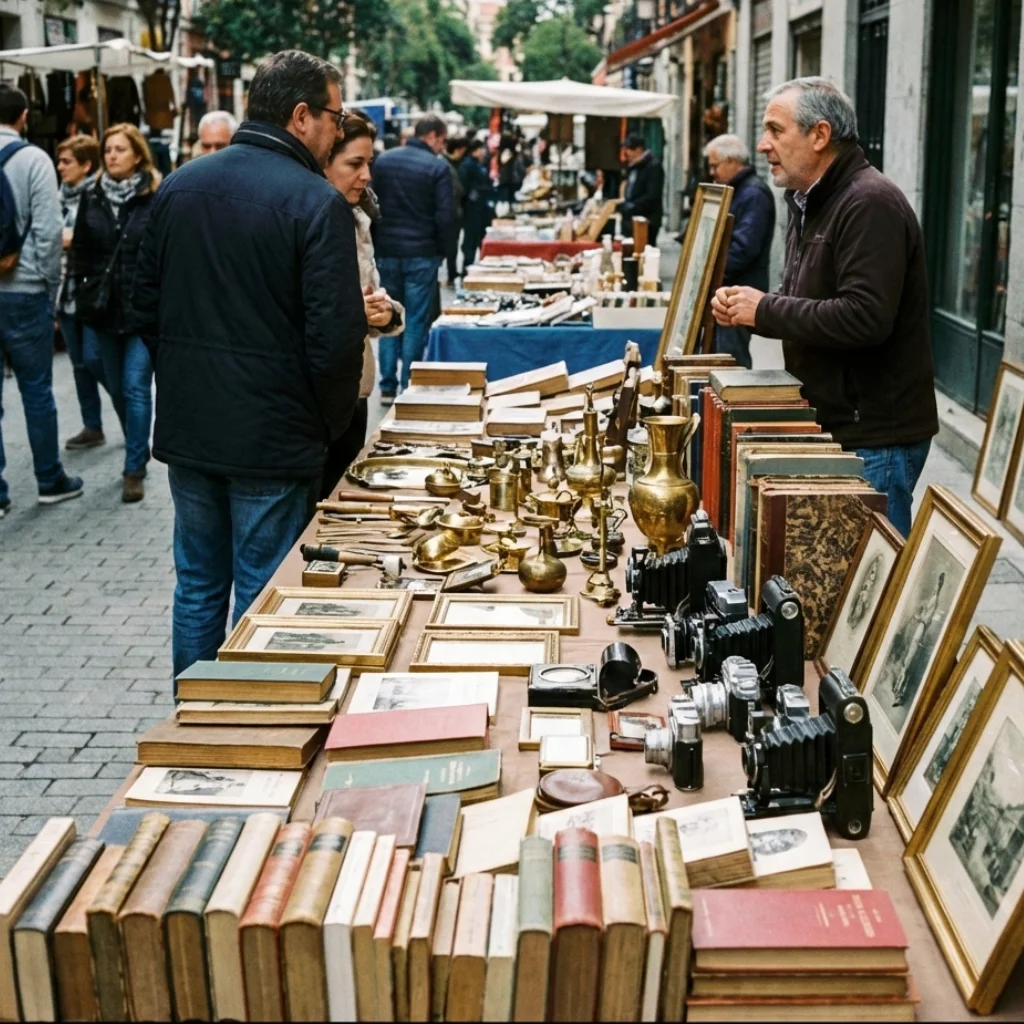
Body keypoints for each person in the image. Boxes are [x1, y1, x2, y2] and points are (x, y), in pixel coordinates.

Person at [131, 50, 366, 679]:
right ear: (300, 116)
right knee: (264, 589)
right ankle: (251, 731)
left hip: (195, 428)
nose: (337, 132)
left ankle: (195, 722)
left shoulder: (181, 185)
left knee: (200, 585)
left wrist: (181, 379)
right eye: (334, 119)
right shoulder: (315, 203)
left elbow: (143, 307)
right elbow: (337, 340)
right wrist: (324, 422)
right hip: (272, 434)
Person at [711, 77, 938, 537]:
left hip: (875, 434)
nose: (763, 145)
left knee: (870, 586)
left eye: (776, 130)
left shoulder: (869, 202)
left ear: (819, 135)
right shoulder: (809, 200)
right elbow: (810, 302)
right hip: (840, 421)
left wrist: (767, 309)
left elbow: (865, 317)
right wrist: (748, 308)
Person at [0, 83, 83, 518]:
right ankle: (50, 479)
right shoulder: (33, 158)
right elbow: (50, 232)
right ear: (24, 117)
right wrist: (51, 286)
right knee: (36, 390)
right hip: (25, 288)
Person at [71, 123, 160, 503]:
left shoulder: (154, 195)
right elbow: (80, 249)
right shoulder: (93, 196)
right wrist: (82, 288)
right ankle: (134, 438)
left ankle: (134, 467)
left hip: (142, 309)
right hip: (103, 308)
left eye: (120, 149)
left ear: (138, 154)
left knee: (135, 386)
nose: (111, 156)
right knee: (100, 368)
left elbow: (162, 251)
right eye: (108, 149)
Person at [322, 111, 405, 498]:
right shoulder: (308, 221)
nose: (367, 175)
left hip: (355, 388)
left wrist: (386, 313)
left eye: (368, 163)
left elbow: (372, 295)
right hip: (320, 400)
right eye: (355, 164)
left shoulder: (358, 218)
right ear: (324, 163)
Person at [370, 114, 455, 402]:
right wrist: (443, 251)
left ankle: (387, 384)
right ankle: (408, 382)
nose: (443, 147)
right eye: (442, 141)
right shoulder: (437, 168)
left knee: (386, 314)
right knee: (416, 319)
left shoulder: (383, 161)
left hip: (386, 251)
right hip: (422, 252)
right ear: (432, 136)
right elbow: (446, 217)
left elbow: (371, 204)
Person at [704, 133, 775, 369]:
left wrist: (710, 274)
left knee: (731, 360)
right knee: (722, 355)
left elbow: (743, 248)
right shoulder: (739, 190)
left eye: (715, 165)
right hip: (728, 291)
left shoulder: (753, 194)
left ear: (732, 161)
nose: (712, 172)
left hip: (737, 292)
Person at [55, 134, 104, 450]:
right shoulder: (55, 197)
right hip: (64, 293)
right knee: (78, 364)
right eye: (59, 161)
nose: (60, 167)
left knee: (95, 359)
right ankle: (92, 425)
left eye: (67, 161)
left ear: (86, 165)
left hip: (92, 293)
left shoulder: (98, 197)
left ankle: (130, 417)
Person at [620, 132, 664, 243]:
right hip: (631, 219)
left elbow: (652, 195)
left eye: (629, 149)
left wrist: (632, 206)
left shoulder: (653, 166)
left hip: (647, 220)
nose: (627, 153)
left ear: (638, 150)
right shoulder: (634, 166)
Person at [459, 138, 492, 271]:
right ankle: (467, 267)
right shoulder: (468, 165)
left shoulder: (476, 164)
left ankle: (471, 267)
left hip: (478, 208)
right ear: (475, 150)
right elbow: (465, 188)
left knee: (476, 238)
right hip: (472, 209)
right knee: (471, 240)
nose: (483, 152)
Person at [443, 135, 467, 285]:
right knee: (451, 245)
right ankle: (451, 272)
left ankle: (451, 272)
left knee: (452, 245)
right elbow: (457, 190)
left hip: (453, 211)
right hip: (451, 212)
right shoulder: (447, 165)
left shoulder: (451, 164)